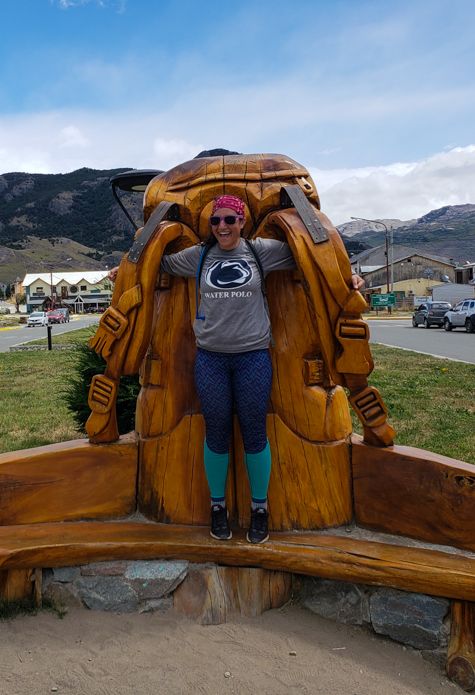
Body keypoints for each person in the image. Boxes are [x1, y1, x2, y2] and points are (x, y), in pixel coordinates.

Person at [108, 195, 365, 544]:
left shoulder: (261, 251)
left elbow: (315, 258)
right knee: (216, 434)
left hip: (253, 357)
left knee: (254, 433)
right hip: (211, 358)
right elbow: (160, 265)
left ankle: (260, 509)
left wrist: (349, 278)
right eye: (216, 222)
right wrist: (122, 271)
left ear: (242, 221)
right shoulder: (199, 257)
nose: (222, 227)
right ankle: (218, 507)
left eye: (229, 220)